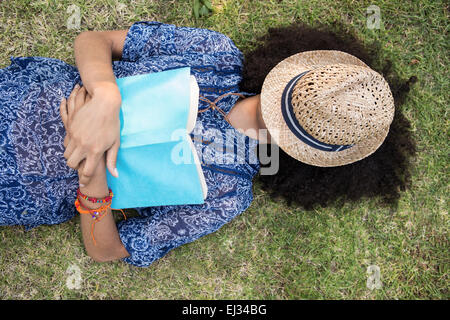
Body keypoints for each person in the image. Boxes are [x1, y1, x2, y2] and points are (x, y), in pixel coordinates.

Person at [0, 21, 415, 267]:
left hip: (21, 186)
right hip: (22, 96)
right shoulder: (215, 54)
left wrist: (90, 178)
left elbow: (108, 250)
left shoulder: (228, 192)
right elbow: (94, 40)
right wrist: (105, 95)